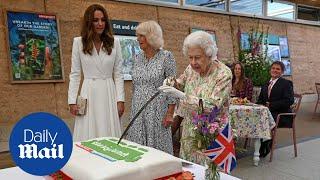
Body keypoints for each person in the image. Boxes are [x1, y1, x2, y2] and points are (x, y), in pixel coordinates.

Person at [159, 31, 232, 162]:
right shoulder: (191, 69)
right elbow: (181, 83)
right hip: (190, 132)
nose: (193, 62)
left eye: (197, 57)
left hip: (212, 134)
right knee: (190, 171)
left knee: (210, 173)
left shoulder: (223, 74)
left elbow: (211, 107)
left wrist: (181, 96)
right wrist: (171, 82)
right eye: (190, 57)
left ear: (209, 55)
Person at [68, 4, 124, 141]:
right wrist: (71, 100)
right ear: (89, 22)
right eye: (96, 20)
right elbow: (75, 74)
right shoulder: (78, 43)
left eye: (103, 20)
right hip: (88, 92)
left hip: (108, 92)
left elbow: (118, 73)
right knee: (88, 134)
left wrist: (120, 100)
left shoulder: (114, 42)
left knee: (109, 132)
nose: (100, 24)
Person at [126, 21, 177, 154]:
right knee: (138, 148)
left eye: (141, 35)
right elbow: (134, 85)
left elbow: (172, 87)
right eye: (137, 36)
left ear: (151, 36)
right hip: (138, 108)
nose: (138, 39)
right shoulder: (137, 58)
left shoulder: (166, 57)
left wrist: (170, 113)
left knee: (157, 149)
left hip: (157, 110)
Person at [257, 61, 294, 157]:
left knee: (263, 119)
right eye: (273, 68)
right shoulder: (266, 84)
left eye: (278, 69)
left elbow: (289, 101)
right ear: (270, 70)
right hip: (267, 114)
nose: (275, 70)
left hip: (281, 115)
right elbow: (260, 100)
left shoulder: (286, 83)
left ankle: (265, 144)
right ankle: (264, 141)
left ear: (282, 72)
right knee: (255, 117)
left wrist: (271, 105)